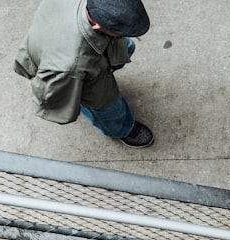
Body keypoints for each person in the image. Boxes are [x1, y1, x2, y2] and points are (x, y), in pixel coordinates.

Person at [13, 0, 155, 148]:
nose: (124, 35)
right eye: (119, 33)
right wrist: (75, 97)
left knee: (127, 47)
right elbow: (57, 100)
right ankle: (122, 129)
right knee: (109, 109)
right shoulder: (71, 65)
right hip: (70, 70)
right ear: (97, 25)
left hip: (61, 33)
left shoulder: (92, 14)